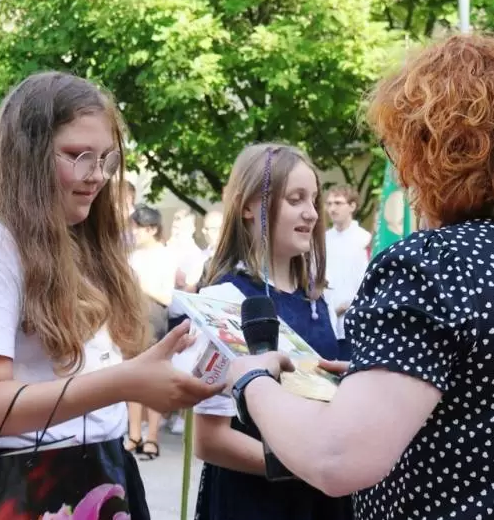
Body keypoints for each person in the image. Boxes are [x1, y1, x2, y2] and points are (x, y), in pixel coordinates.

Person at [222, 35, 494, 520]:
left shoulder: (433, 264)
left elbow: (337, 458)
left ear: (431, 151)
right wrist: (385, 378)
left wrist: (252, 381)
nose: (402, 175)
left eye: (399, 150)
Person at [0, 71, 221, 517]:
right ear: (26, 154)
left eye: (105, 158)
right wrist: (127, 382)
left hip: (100, 464)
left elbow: (91, 369)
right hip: (8, 483)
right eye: (77, 155)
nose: (96, 175)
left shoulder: (82, 237)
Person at [189, 143, 352, 520]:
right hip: (254, 503)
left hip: (324, 500)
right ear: (248, 206)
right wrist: (303, 466)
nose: (312, 213)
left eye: (313, 199)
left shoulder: (322, 298)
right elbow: (209, 439)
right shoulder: (223, 300)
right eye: (295, 199)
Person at [125, 204, 177, 460]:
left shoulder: (165, 256)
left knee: (153, 380)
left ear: (152, 229)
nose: (133, 233)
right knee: (130, 380)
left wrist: (139, 284)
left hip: (154, 321)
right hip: (129, 320)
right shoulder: (131, 255)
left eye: (138, 228)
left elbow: (168, 297)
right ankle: (134, 434)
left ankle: (152, 437)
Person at [323, 185, 371, 360]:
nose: (332, 209)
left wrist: (347, 305)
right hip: (326, 322)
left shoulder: (364, 239)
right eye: (329, 203)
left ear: (352, 206)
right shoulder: (323, 240)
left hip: (353, 323)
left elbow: (367, 281)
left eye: (338, 203)